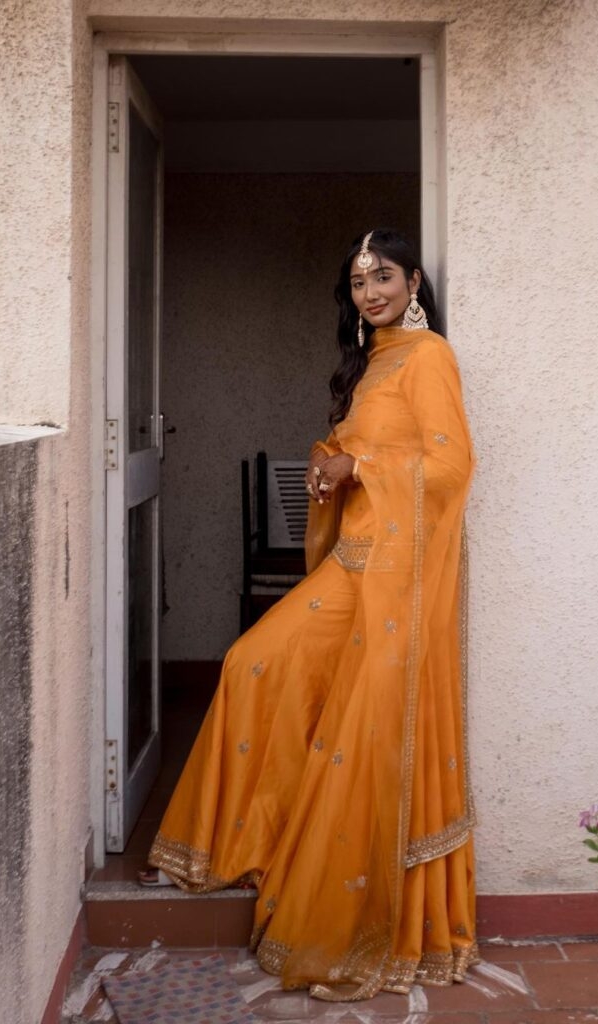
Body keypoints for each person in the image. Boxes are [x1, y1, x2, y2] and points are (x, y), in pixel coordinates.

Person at [141, 228, 478, 1001]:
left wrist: (356, 466)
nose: (371, 292)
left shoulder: (428, 358)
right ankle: (237, 844)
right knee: (253, 663)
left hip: (392, 583)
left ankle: (340, 898)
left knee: (356, 730)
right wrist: (335, 461)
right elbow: (368, 446)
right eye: (358, 282)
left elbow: (451, 463)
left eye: (383, 276)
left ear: (414, 281)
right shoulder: (376, 362)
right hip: (352, 567)